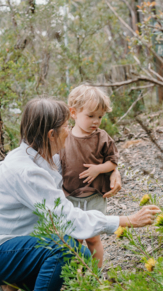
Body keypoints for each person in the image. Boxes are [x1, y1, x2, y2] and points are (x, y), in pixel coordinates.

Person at [0, 98, 160, 291]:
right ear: (51, 133)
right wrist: (125, 220)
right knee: (63, 247)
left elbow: (79, 167)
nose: (70, 131)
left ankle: (4, 290)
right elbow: (67, 218)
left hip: (7, 247)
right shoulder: (25, 171)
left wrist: (113, 171)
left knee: (72, 257)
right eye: (67, 126)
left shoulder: (42, 157)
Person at [59, 85, 118, 268]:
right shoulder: (65, 138)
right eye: (90, 116)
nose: (96, 121)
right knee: (74, 241)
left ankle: (96, 276)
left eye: (100, 117)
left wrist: (98, 169)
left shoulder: (101, 137)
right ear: (74, 113)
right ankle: (77, 279)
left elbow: (113, 162)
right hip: (71, 197)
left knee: (93, 238)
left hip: (94, 197)